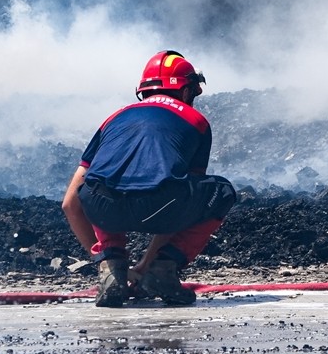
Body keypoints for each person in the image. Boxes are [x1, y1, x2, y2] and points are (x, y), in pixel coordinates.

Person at [62, 50, 236, 308]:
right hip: (162, 206)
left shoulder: (113, 118)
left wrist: (102, 258)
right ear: (186, 91)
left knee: (103, 184)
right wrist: (148, 266)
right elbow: (184, 198)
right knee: (220, 191)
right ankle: (163, 270)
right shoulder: (196, 121)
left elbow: (69, 203)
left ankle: (113, 267)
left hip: (102, 207)